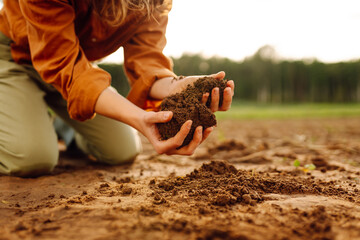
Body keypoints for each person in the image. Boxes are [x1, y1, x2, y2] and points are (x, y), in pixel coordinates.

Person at [0, 0, 234, 177]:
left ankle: (66, 128)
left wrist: (178, 85)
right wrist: (139, 118)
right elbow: (61, 64)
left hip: (78, 68)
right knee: (32, 158)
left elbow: (146, 62)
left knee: (122, 151)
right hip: (15, 57)